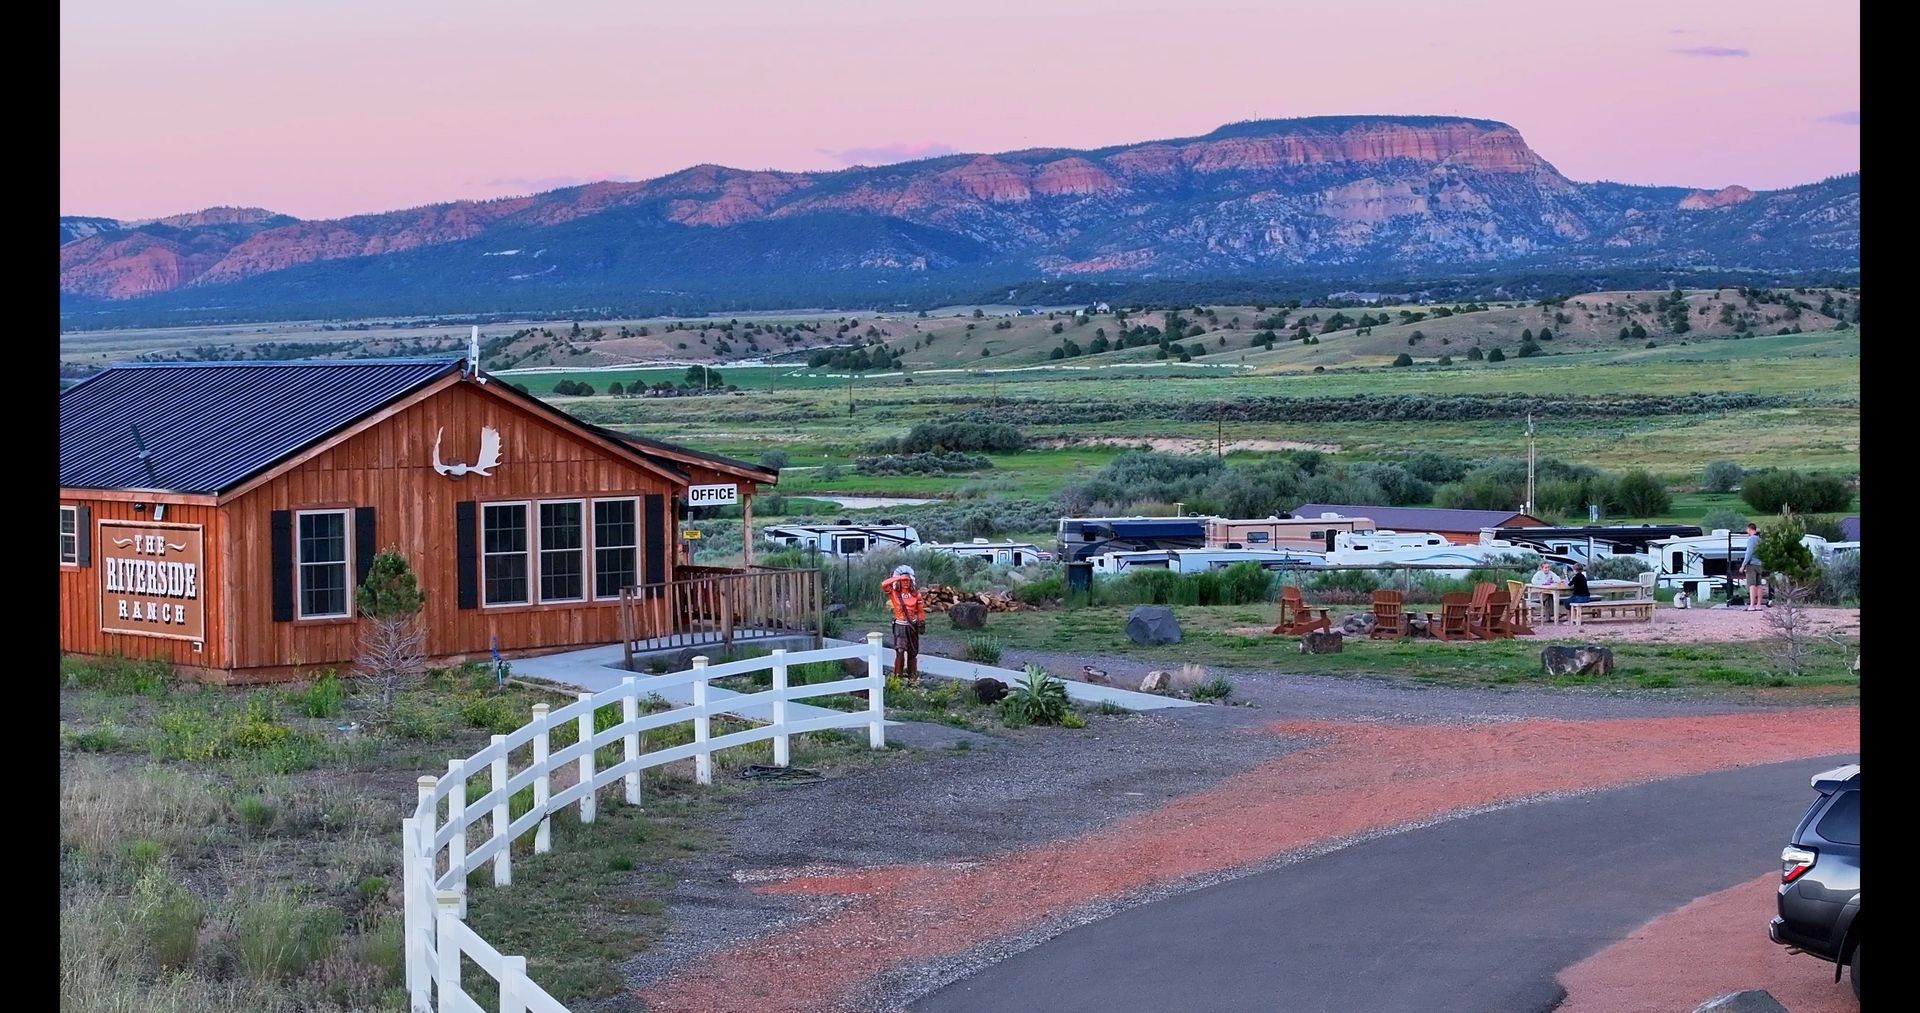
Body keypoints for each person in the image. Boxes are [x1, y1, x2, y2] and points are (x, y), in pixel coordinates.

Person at [880, 564, 927, 681]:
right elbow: (884, 584)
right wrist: (898, 577)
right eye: (903, 580)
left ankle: (912, 678)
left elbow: (920, 611)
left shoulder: (916, 595)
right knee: (900, 652)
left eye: (908, 580)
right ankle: (897, 678)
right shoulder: (895, 593)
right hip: (900, 626)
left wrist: (922, 623)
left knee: (912, 653)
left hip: (912, 626)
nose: (906, 582)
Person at [1741, 522, 1767, 611]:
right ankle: (1759, 605)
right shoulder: (1760, 539)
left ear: (1750, 529)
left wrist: (1743, 565)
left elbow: (1749, 553)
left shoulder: (1751, 539)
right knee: (1759, 584)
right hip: (1760, 564)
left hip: (1751, 564)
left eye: (1747, 530)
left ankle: (1752, 605)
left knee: (1751, 585)